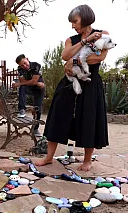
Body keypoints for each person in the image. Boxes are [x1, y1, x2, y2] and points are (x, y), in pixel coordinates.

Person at [35, 4, 109, 171]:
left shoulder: (103, 35)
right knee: (57, 116)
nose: (73, 25)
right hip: (69, 82)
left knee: (88, 119)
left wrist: (74, 61)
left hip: (90, 82)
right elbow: (64, 56)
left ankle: (87, 160)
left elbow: (99, 57)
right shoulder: (71, 40)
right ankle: (48, 157)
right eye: (71, 22)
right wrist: (85, 41)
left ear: (85, 18)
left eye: (75, 21)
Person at [12, 54, 45, 137]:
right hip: (31, 87)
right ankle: (22, 110)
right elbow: (23, 82)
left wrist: (34, 82)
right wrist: (32, 82)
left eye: (25, 63)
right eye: (22, 65)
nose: (24, 66)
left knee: (38, 108)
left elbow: (32, 82)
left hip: (38, 89)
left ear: (27, 59)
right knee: (22, 87)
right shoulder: (20, 69)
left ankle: (35, 129)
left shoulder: (36, 66)